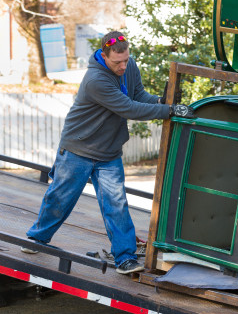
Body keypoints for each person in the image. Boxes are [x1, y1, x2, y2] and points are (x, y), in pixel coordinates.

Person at [23, 31, 195, 275]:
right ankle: (37, 238)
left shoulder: (128, 66)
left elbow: (137, 96)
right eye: (117, 62)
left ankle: (124, 257)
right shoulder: (96, 80)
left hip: (109, 152)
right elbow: (128, 108)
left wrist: (160, 102)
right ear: (104, 56)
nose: (123, 66)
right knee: (60, 198)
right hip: (78, 149)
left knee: (117, 204)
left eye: (126, 60)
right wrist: (169, 111)